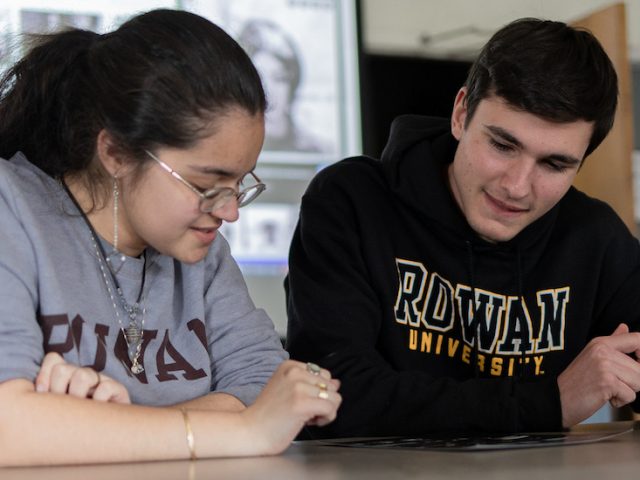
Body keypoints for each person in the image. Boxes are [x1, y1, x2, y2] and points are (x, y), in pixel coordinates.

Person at [0, 9, 340, 466]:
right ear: (116, 152)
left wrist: (92, 430)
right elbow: (9, 427)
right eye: (207, 185)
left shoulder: (202, 254)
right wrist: (242, 429)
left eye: (240, 183)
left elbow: (266, 385)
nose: (230, 211)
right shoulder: (12, 208)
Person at [285, 18, 640, 438]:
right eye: (503, 145)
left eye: (554, 164)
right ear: (460, 114)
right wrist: (549, 402)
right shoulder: (350, 201)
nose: (517, 187)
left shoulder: (594, 236)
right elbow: (331, 396)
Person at [238, 19, 328, 153]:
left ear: (293, 85)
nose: (268, 91)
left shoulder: (317, 149)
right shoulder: (225, 144)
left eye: (279, 79)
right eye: (258, 79)